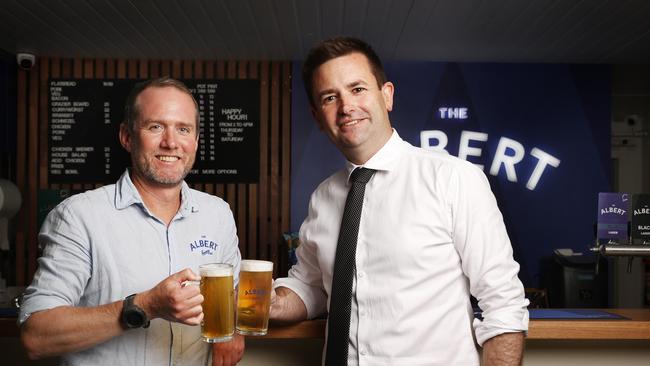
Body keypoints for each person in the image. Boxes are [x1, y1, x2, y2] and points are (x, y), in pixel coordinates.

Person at [270, 37, 529, 365]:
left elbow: (503, 305)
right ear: (318, 117)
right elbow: (311, 286)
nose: (347, 106)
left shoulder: (452, 179)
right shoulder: (323, 197)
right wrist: (275, 304)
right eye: (329, 97)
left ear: (386, 95)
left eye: (358, 89)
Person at [19, 77, 244, 366]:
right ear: (127, 136)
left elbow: (231, 292)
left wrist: (232, 329)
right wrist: (144, 306)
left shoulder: (218, 214)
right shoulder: (78, 216)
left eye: (183, 129)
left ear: (196, 141)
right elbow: (36, 336)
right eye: (155, 126)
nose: (171, 142)